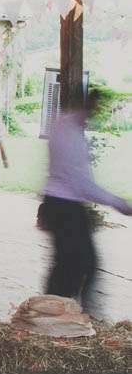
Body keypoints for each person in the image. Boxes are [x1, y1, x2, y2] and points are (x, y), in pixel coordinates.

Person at [39, 88, 132, 311]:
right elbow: (81, 184)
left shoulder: (64, 125)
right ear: (85, 105)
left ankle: (66, 311)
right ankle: (59, 313)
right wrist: (118, 203)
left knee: (73, 264)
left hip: (60, 203)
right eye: (93, 107)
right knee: (76, 265)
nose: (95, 112)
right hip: (64, 205)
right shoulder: (69, 134)